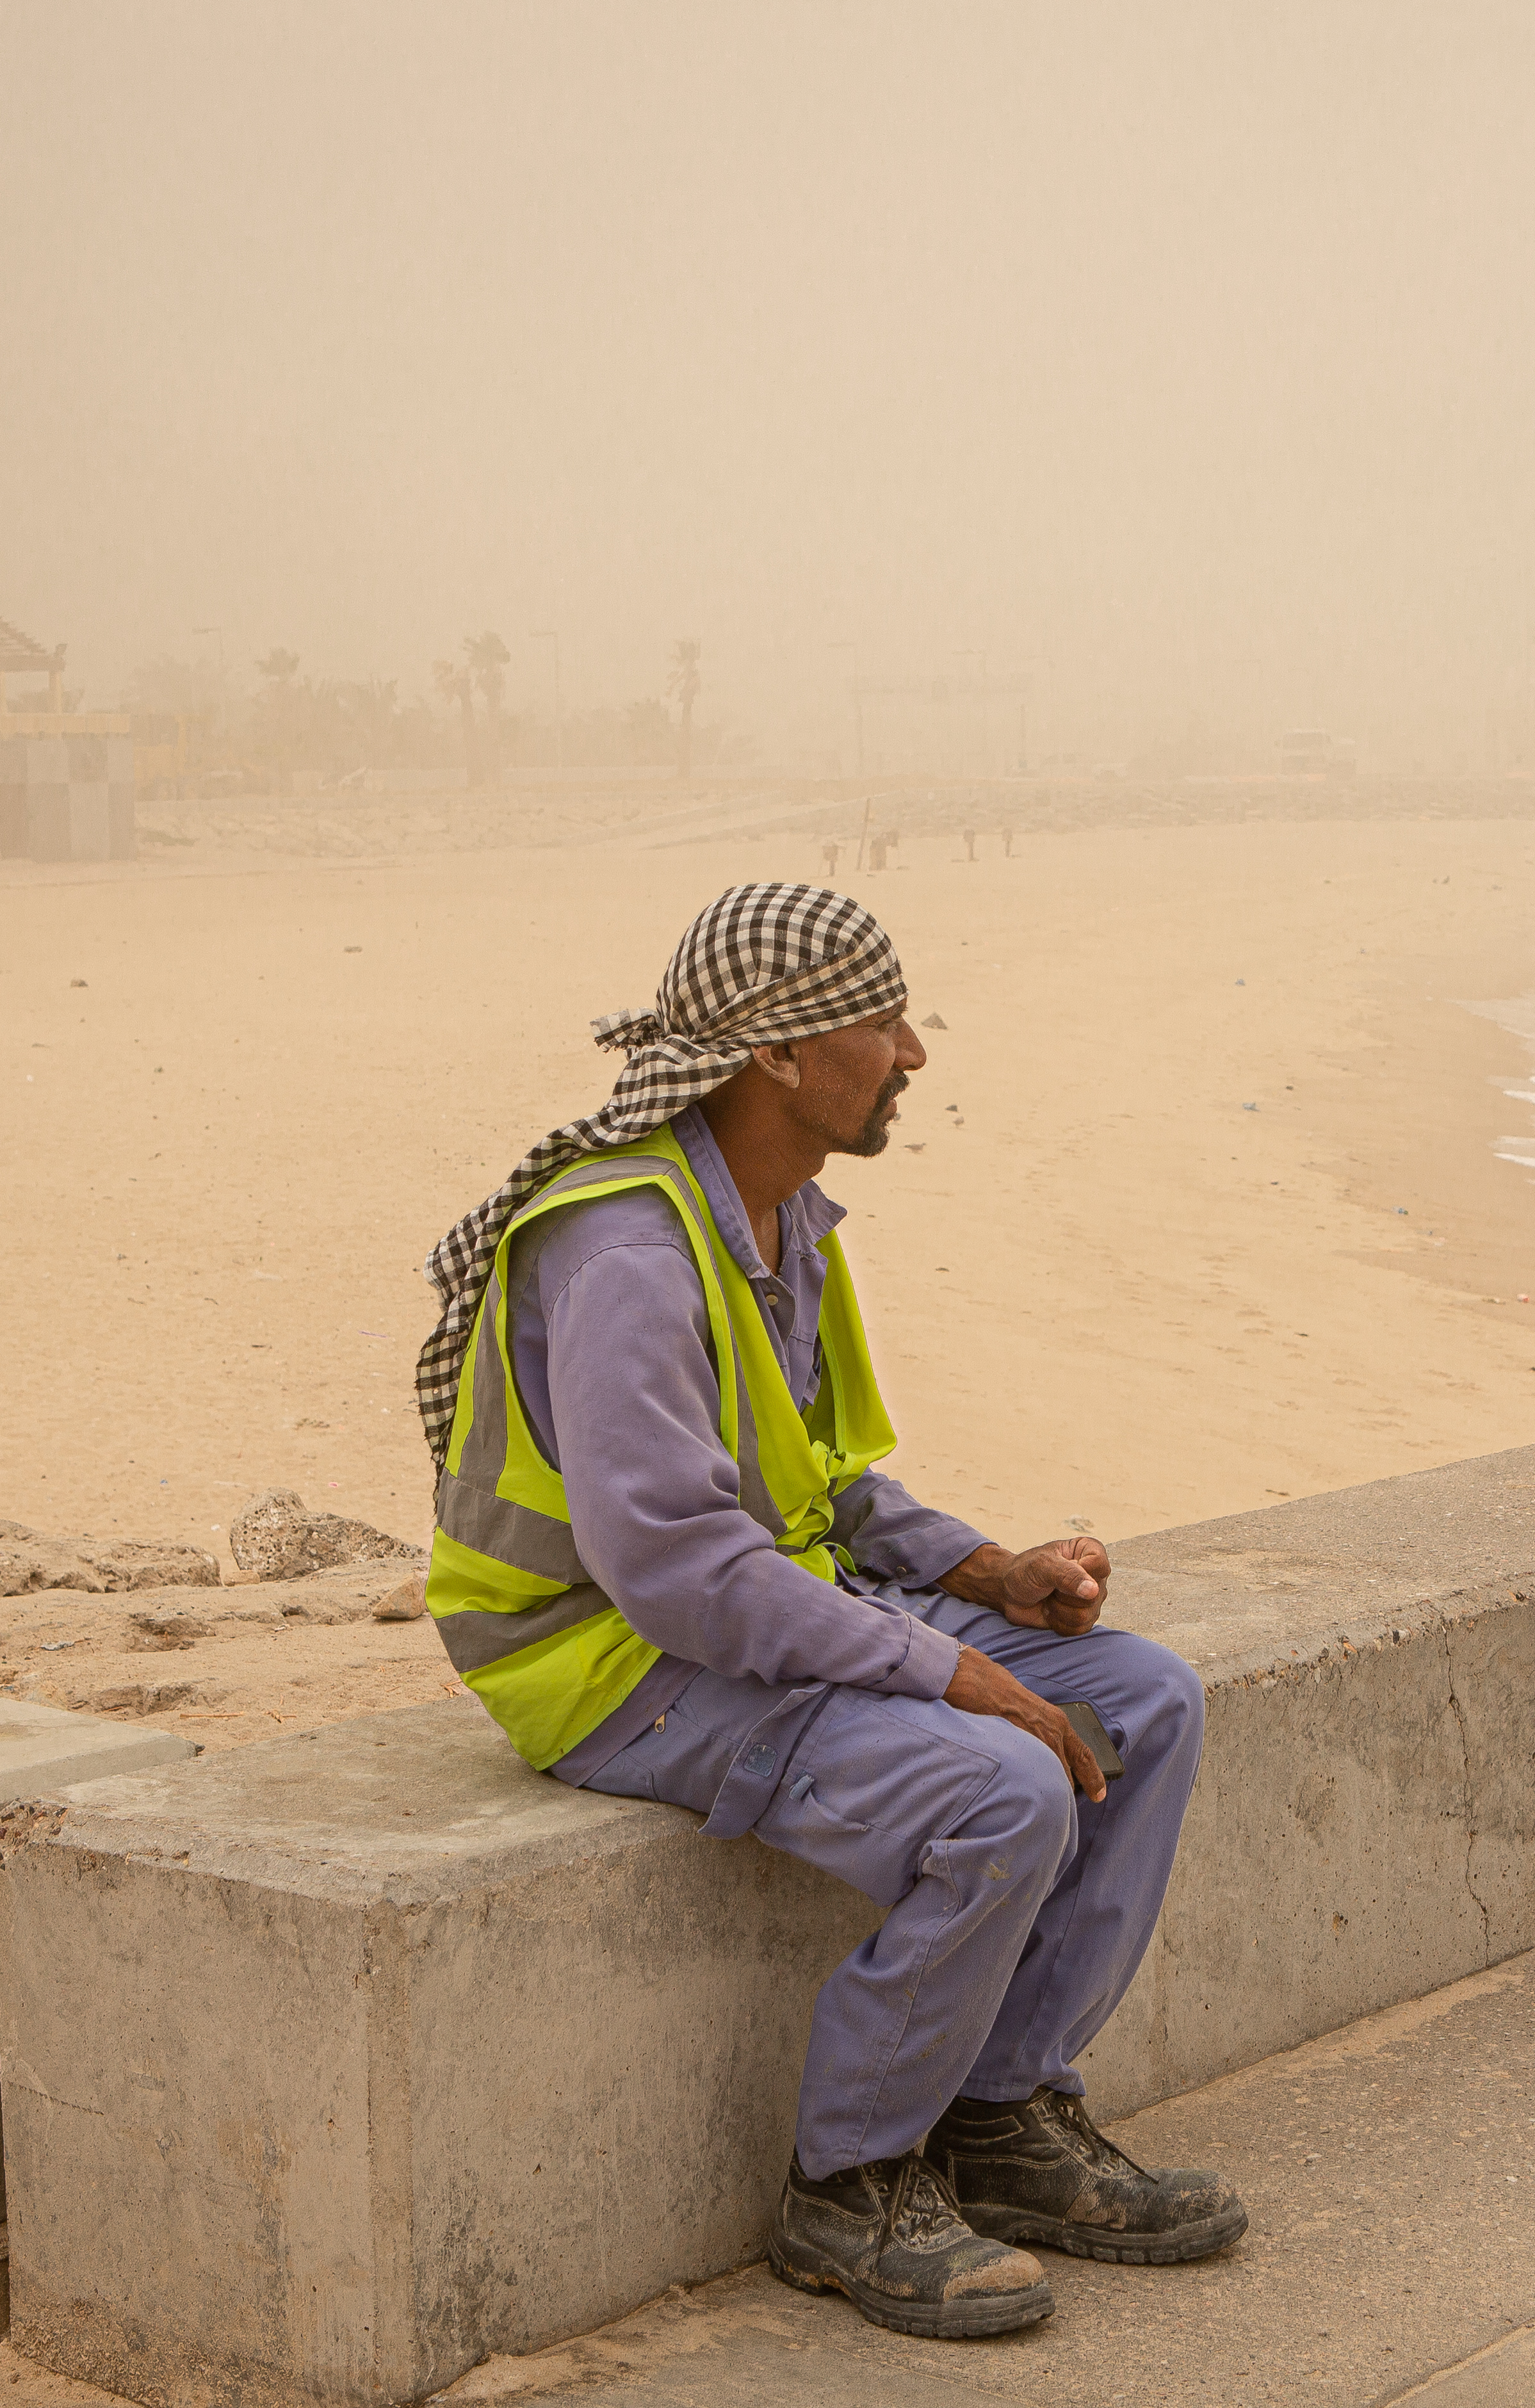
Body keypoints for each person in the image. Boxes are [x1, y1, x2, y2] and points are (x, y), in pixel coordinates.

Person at [411, 882, 1240, 2339]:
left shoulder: (781, 1221)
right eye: (881, 1020)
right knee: (998, 1786)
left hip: (759, 1607)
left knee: (1141, 1699)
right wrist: (947, 1672)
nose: (913, 1053)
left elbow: (828, 1492)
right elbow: (673, 1566)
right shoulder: (626, 1252)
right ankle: (848, 2188)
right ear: (779, 1056)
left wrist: (987, 1575)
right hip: (608, 1661)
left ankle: (1000, 2122)